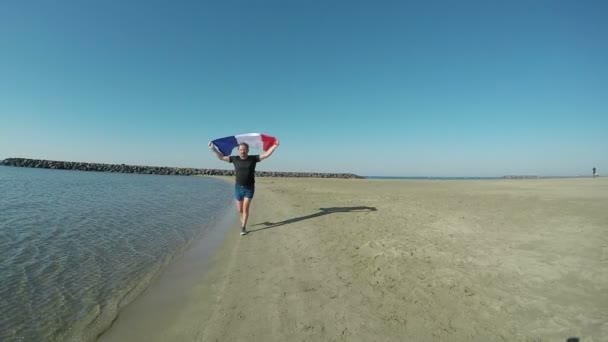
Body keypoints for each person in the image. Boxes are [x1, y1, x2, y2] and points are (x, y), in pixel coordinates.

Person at [208, 139, 280, 235]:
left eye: (244, 149)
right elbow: (221, 157)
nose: (243, 151)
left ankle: (243, 227)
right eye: (241, 149)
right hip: (238, 187)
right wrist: (213, 149)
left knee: (245, 209)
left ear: (248, 150)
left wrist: (274, 146)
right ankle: (243, 221)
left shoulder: (253, 159)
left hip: (249, 188)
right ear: (238, 150)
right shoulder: (235, 159)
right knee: (240, 209)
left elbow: (266, 155)